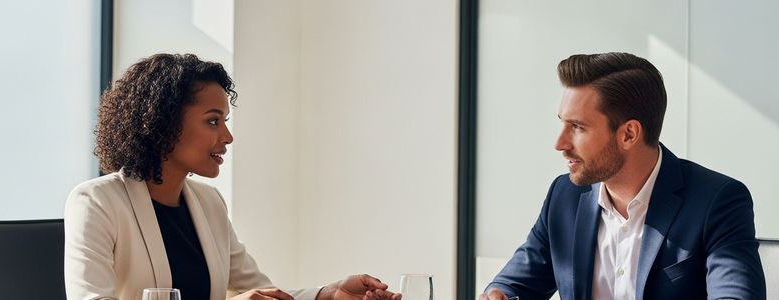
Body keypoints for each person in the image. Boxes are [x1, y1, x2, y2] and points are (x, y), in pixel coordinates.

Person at [64, 53, 402, 300]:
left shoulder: (208, 203)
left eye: (225, 121)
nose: (227, 137)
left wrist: (328, 294)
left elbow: (255, 291)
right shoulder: (97, 202)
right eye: (213, 121)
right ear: (163, 123)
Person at [481, 52, 766, 300]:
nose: (560, 143)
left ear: (629, 133)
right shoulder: (564, 195)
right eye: (562, 124)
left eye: (578, 127)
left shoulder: (716, 201)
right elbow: (514, 284)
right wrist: (499, 294)